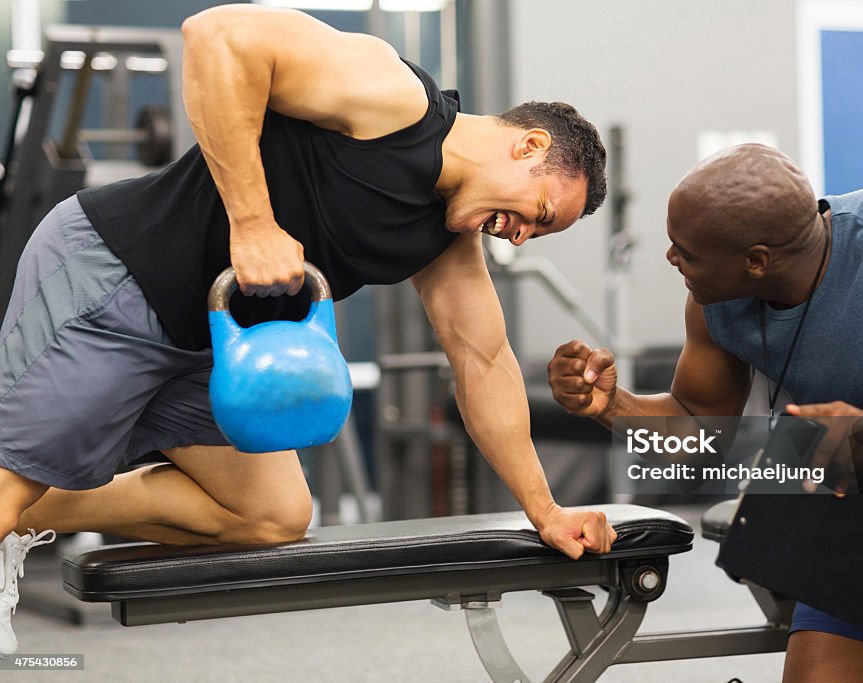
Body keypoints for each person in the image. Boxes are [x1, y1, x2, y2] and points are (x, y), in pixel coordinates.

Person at [0, 4, 618, 656]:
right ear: (529, 145)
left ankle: (28, 508)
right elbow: (215, 35)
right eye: (538, 213)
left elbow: (484, 362)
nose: (519, 235)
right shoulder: (391, 99)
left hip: (201, 346)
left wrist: (546, 510)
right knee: (9, 487)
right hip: (116, 278)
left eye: (535, 233)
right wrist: (253, 222)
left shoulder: (445, 245)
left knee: (272, 515)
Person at [547, 143, 863, 681]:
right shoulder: (711, 295)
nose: (672, 259)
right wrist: (612, 407)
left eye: (687, 251)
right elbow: (703, 432)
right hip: (849, 491)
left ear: (756, 260)